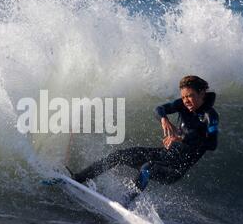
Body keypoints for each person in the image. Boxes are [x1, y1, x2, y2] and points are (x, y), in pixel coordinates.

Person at [70, 75, 219, 196]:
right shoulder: (182, 105)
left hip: (175, 169)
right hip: (163, 154)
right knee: (118, 156)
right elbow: (159, 109)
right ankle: (78, 178)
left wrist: (181, 138)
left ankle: (126, 201)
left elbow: (212, 144)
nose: (186, 100)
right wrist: (163, 119)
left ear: (202, 93)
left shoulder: (210, 116)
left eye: (190, 96)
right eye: (184, 96)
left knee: (147, 168)